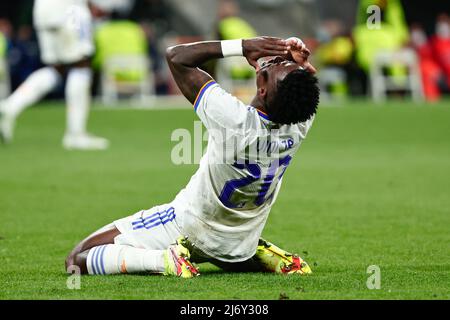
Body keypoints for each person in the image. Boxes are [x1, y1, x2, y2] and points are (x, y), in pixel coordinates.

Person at [65, 36, 320, 278]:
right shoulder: (301, 121)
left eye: (275, 66)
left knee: (78, 258)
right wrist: (300, 64)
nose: (274, 60)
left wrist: (242, 46)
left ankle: (165, 261)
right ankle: (255, 256)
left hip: (188, 227)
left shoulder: (234, 119)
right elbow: (304, 89)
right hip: (240, 241)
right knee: (230, 247)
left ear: (262, 89)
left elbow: (177, 57)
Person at [0, 0, 109, 150]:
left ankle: (9, 107)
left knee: (57, 67)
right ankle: (76, 134)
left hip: (43, 9)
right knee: (81, 64)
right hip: (71, 9)